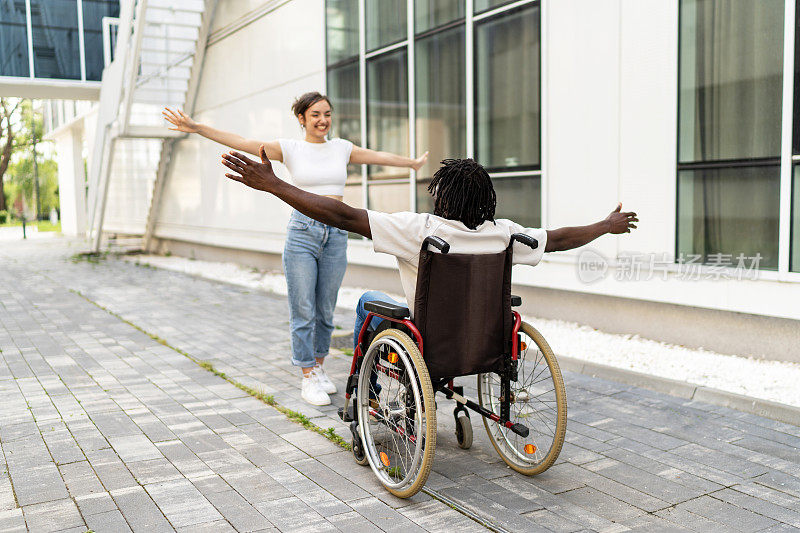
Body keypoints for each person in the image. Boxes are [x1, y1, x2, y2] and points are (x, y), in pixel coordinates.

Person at [219, 149, 639, 353]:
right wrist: (606, 226)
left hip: (430, 339)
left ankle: (371, 392)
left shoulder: (419, 229)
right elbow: (560, 238)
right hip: (483, 338)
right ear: (486, 199)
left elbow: (343, 216)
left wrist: (275, 185)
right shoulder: (505, 234)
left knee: (368, 302)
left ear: (443, 196)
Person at [163, 93, 429, 406]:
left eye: (327, 114)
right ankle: (307, 375)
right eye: (315, 114)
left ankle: (318, 366)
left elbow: (377, 156)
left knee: (325, 309)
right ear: (301, 118)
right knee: (303, 309)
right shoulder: (290, 148)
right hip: (303, 232)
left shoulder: (341, 148)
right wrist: (196, 127)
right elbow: (242, 140)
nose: (323, 120)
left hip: (337, 233)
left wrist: (411, 164)